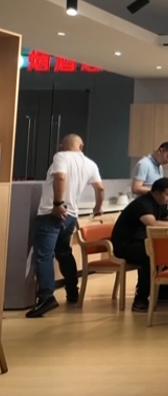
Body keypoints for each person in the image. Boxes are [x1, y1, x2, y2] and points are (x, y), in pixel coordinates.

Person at [26, 134, 105, 318]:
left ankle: (46, 297)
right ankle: (72, 291)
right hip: (71, 216)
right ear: (81, 146)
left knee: (44, 256)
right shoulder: (90, 164)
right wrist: (98, 207)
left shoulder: (60, 156)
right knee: (64, 252)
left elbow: (60, 177)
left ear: (61, 145)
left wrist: (57, 204)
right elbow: (100, 188)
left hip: (51, 214)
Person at [111, 178, 168, 313]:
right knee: (150, 256)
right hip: (125, 245)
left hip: (140, 242)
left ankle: (162, 293)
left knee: (162, 253)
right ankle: (140, 300)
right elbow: (152, 224)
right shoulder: (142, 204)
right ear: (156, 193)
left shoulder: (160, 203)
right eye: (167, 194)